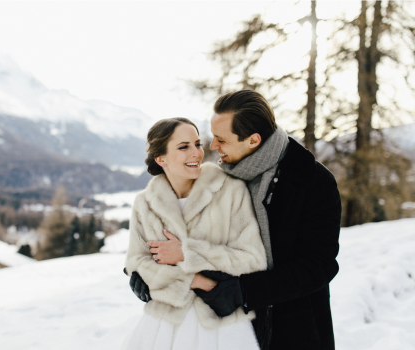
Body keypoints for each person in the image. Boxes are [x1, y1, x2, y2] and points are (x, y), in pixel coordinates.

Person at [128, 90, 342, 350]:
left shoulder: (311, 181)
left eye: (220, 140)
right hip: (222, 325)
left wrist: (245, 291)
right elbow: (163, 245)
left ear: (253, 140)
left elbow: (318, 266)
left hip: (291, 326)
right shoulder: (220, 178)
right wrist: (147, 277)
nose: (212, 147)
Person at [122, 117, 267, 349]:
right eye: (183, 147)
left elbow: (252, 260)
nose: (196, 153)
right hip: (161, 328)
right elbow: (137, 264)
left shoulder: (230, 190)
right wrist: (196, 281)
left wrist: (186, 253)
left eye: (197, 144)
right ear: (161, 159)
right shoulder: (144, 203)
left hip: (221, 327)